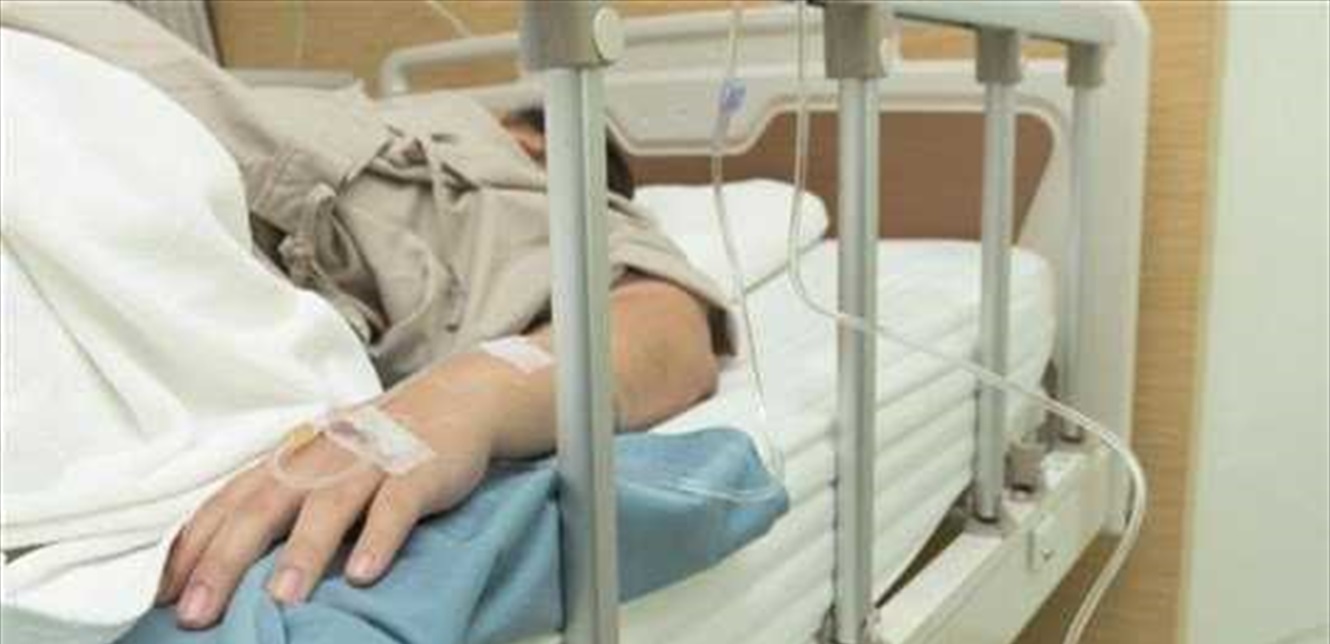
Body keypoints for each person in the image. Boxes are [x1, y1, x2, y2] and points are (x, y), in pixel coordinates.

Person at [1, 1, 732, 633]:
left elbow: (666, 327)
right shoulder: (362, 115)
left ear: (534, 142)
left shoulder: (526, 184)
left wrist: (454, 401)